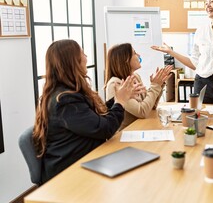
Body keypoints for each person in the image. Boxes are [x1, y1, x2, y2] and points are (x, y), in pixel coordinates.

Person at [33, 39, 144, 184]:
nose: (86, 58)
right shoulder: (65, 100)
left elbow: (98, 116)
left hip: (88, 158)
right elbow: (105, 128)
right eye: (83, 54)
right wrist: (121, 102)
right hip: (69, 170)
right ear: (73, 62)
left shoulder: (69, 91)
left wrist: (119, 98)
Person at [105, 43, 172, 130]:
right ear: (126, 59)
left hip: (141, 128)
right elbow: (142, 112)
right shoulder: (115, 84)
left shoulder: (135, 77)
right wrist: (155, 86)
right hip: (126, 134)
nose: (139, 55)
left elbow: (150, 107)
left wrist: (159, 84)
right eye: (134, 53)